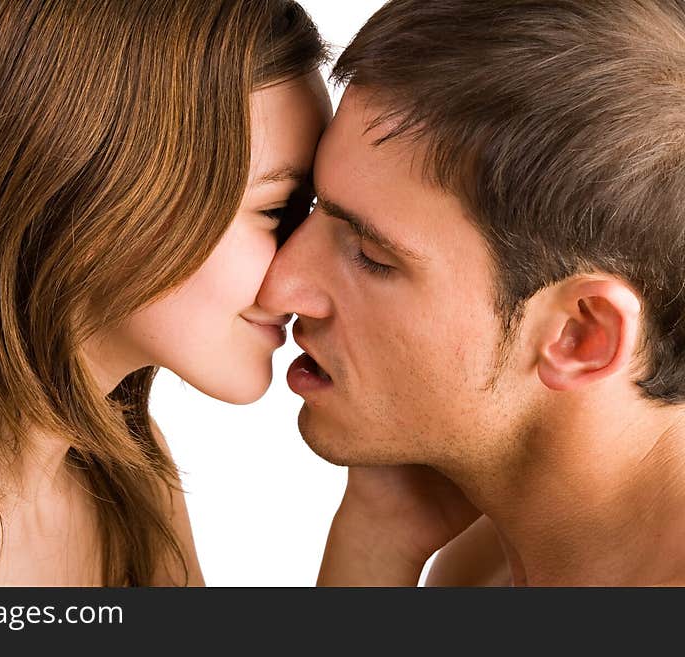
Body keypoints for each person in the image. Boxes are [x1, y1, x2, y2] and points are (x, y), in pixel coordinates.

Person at [0, 0, 331, 586]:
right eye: (280, 209)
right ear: (104, 195)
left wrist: (376, 529)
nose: (307, 274)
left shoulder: (133, 483)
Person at [258, 0, 685, 586]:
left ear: (581, 335)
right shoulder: (487, 566)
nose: (280, 286)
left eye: (372, 256)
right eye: (308, 210)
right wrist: (378, 535)